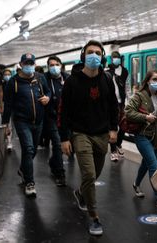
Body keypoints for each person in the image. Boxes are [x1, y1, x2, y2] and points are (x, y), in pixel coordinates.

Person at [59, 40, 118, 236]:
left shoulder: (107, 79)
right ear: (84, 55)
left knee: (96, 173)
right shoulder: (72, 81)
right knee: (89, 175)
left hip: (101, 134)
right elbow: (64, 111)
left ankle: (80, 193)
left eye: (98, 53)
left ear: (102, 57)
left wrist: (113, 129)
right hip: (80, 133)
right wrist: (64, 138)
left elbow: (113, 106)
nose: (94, 56)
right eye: (91, 52)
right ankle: (94, 217)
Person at [125, 70, 157, 209]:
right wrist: (145, 117)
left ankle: (136, 184)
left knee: (146, 163)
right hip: (142, 135)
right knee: (154, 164)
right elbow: (128, 111)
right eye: (154, 79)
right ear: (148, 81)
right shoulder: (140, 96)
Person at [2, 53, 50, 198]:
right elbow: (8, 105)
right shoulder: (13, 82)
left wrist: (47, 98)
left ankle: (23, 169)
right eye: (26, 63)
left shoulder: (40, 78)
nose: (29, 66)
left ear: (34, 64)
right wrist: (6, 124)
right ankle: (29, 182)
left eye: (31, 63)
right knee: (28, 149)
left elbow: (47, 92)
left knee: (33, 150)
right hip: (22, 122)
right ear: (21, 64)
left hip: (39, 121)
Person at [44, 56, 67, 186]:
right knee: (57, 144)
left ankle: (53, 162)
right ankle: (60, 173)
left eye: (56, 64)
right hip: (51, 117)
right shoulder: (43, 79)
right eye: (51, 65)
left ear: (61, 65)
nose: (54, 67)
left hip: (65, 117)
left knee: (64, 143)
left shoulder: (67, 78)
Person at [107, 51, 128, 162]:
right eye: (114, 57)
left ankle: (118, 144)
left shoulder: (124, 71)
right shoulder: (108, 71)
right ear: (111, 59)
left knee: (124, 125)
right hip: (112, 103)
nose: (116, 59)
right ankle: (113, 151)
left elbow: (124, 84)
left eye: (118, 57)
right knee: (113, 127)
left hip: (122, 102)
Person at [0, 69, 14, 151]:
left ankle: (9, 140)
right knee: (6, 124)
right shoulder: (2, 84)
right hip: (5, 105)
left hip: (13, 105)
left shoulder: (13, 83)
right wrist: (1, 104)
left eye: (9, 74)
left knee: (12, 125)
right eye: (5, 74)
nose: (7, 76)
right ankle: (8, 141)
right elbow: (1, 94)